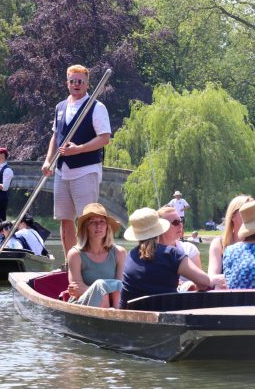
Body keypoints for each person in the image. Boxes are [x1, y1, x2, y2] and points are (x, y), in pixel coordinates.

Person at [42, 64, 111, 259]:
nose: (76, 84)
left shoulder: (96, 107)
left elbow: (104, 138)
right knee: (65, 221)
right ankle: (69, 263)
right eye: (73, 81)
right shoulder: (60, 107)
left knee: (87, 220)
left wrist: (79, 149)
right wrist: (48, 161)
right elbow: (55, 137)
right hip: (62, 171)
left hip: (85, 170)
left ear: (87, 84)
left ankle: (89, 261)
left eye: (80, 81)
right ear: (67, 83)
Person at [120, 208, 224, 308]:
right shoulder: (172, 254)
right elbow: (204, 282)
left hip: (132, 320)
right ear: (160, 229)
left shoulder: (129, 257)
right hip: (167, 320)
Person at [66, 203, 126, 308]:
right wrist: (101, 290)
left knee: (114, 288)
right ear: (85, 227)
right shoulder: (75, 254)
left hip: (114, 305)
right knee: (100, 285)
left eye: (102, 221)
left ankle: (118, 318)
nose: (98, 226)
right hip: (82, 304)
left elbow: (120, 287)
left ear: (107, 226)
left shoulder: (119, 252)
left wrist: (98, 290)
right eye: (92, 222)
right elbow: (76, 291)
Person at [208, 195, 253, 284]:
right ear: (233, 216)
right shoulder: (219, 244)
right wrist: (246, 277)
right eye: (246, 210)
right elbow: (212, 278)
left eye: (253, 210)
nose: (251, 215)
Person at [157, 206, 202, 291]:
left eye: (181, 221)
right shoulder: (150, 253)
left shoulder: (189, 249)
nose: (181, 225)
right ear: (162, 228)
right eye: (175, 222)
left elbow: (200, 283)